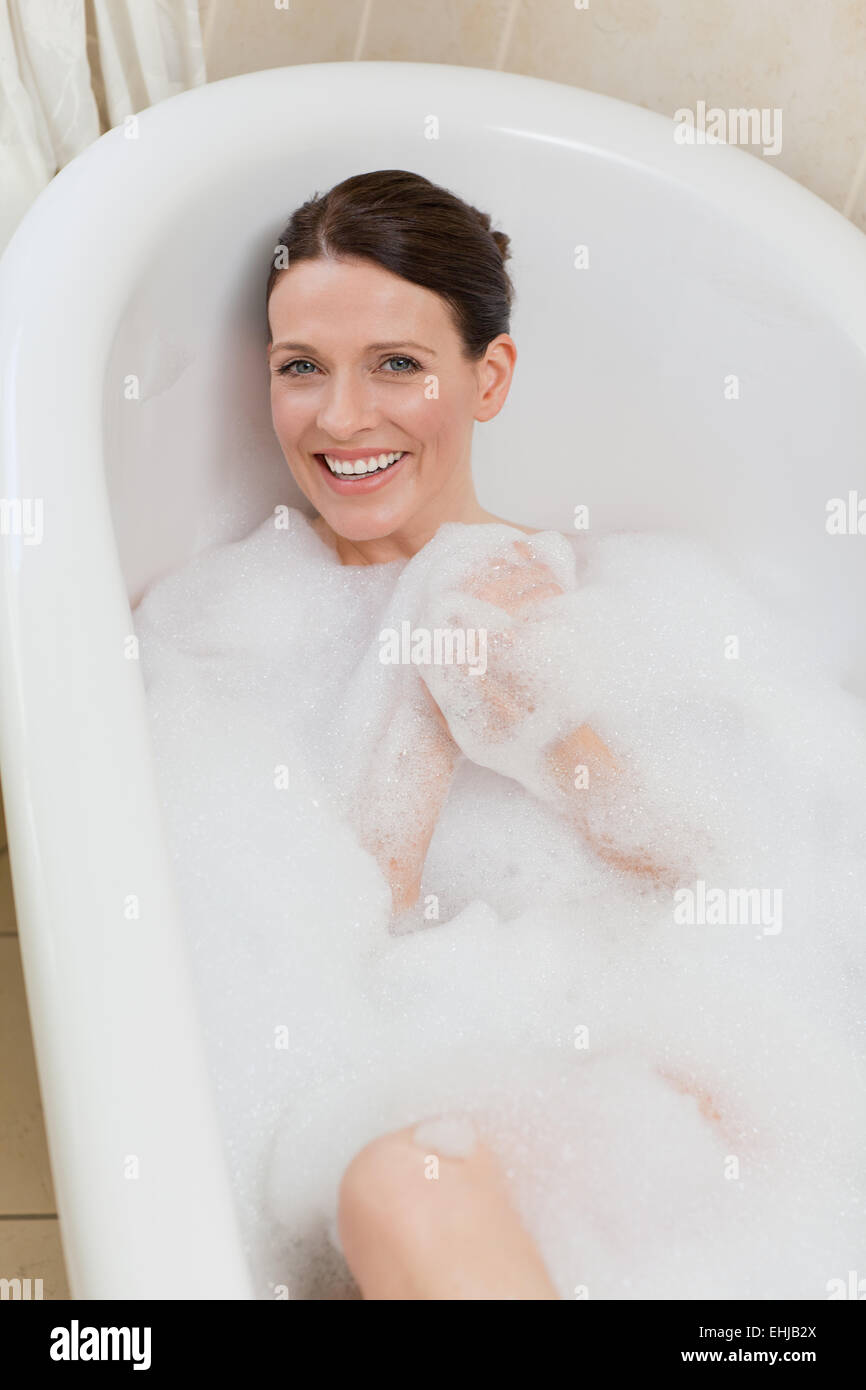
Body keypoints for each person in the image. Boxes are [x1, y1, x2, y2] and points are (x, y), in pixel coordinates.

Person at [264, 169, 691, 1299]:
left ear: (487, 376)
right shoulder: (234, 612)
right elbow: (318, 953)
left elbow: (704, 873)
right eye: (300, 366)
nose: (342, 416)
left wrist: (555, 739)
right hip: (431, 1072)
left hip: (586, 1070)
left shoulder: (528, 590)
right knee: (404, 1182)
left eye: (397, 365)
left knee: (409, 1183)